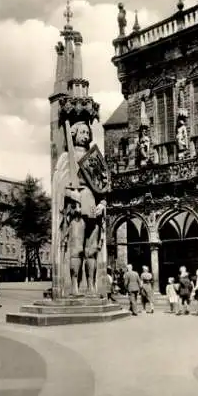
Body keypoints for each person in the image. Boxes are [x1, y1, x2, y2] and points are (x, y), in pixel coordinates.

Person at [53, 120, 108, 296]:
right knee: (76, 249)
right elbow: (59, 184)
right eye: (81, 132)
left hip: (92, 205)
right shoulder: (66, 157)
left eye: (87, 132)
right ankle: (75, 286)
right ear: (74, 135)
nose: (85, 136)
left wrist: (102, 204)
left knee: (91, 250)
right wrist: (70, 194)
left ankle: (91, 286)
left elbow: (102, 186)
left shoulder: (93, 157)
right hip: (77, 207)